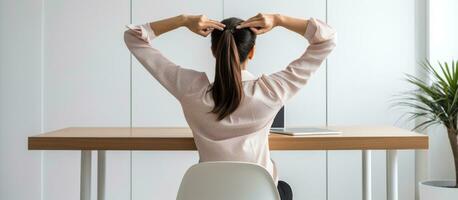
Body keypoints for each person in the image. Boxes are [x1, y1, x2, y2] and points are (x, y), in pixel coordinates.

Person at [124, 13, 336, 200]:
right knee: (283, 190)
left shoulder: (191, 90)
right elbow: (326, 39)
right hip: (257, 195)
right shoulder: (271, 91)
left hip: (206, 195)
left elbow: (133, 36)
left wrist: (183, 21)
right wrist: (279, 20)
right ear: (251, 52)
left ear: (213, 51)